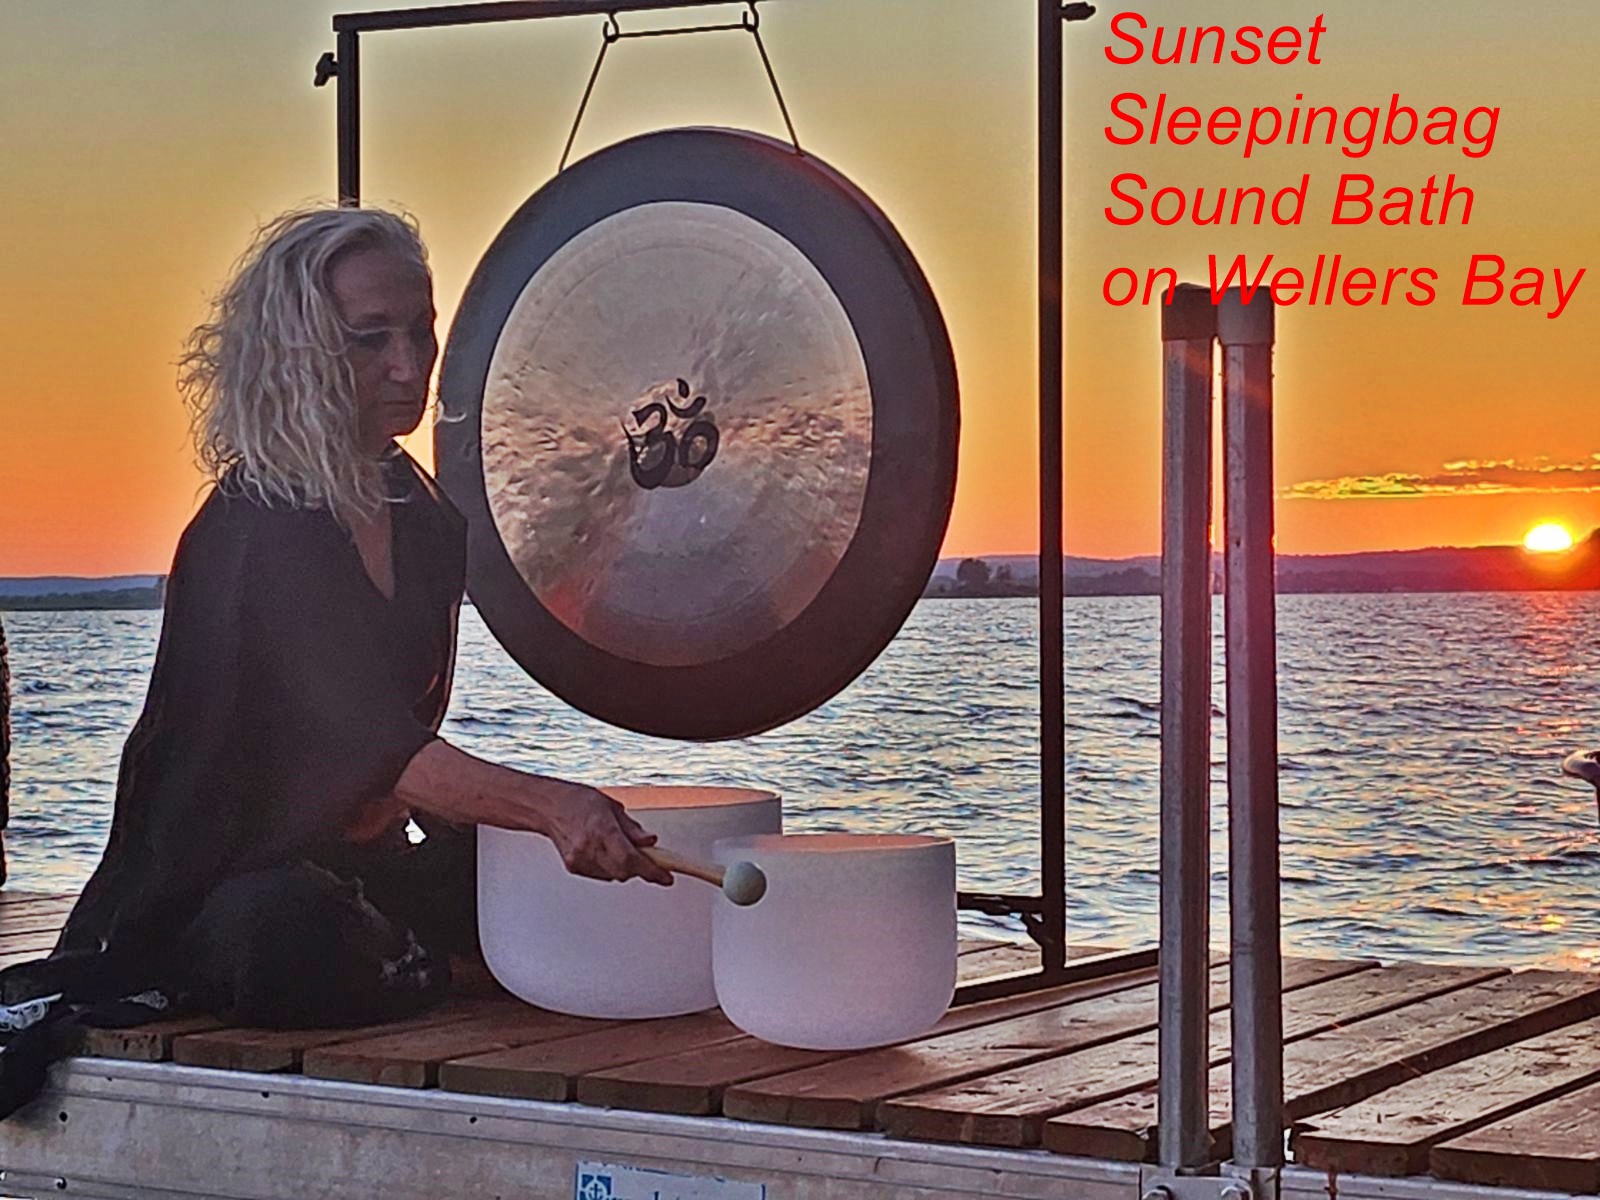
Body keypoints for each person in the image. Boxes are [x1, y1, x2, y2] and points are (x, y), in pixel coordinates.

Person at [0, 207, 673, 1046]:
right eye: (369, 339)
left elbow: (396, 761)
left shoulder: (425, 515)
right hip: (219, 884)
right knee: (281, 929)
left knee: (518, 875)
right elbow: (369, 743)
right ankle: (419, 961)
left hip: (359, 869)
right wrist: (550, 806)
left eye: (421, 332)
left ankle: (415, 953)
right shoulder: (258, 528)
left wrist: (528, 837)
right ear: (298, 353)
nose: (408, 365)